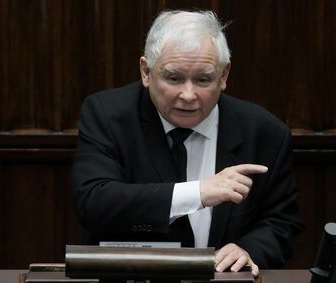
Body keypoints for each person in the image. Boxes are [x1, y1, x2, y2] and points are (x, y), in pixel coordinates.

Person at [72, 10, 303, 277]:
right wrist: (198, 193)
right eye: (173, 78)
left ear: (224, 75)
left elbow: (281, 222)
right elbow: (94, 202)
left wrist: (248, 249)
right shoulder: (108, 115)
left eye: (203, 79)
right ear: (146, 72)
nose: (189, 95)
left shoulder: (264, 132)